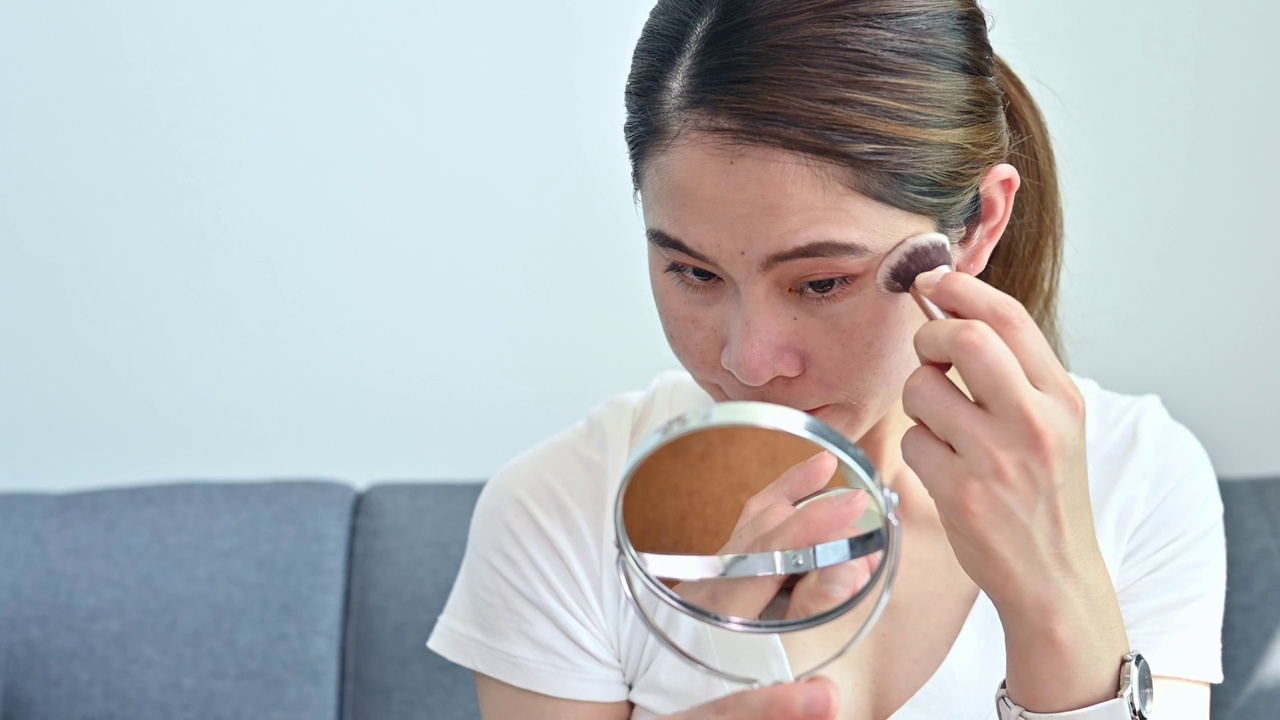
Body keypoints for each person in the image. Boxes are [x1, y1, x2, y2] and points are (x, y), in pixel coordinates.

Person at [427, 1, 1226, 718]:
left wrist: (1056, 595)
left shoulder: (1136, 478)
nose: (749, 362)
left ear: (980, 225)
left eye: (821, 282)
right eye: (693, 272)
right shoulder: (564, 508)